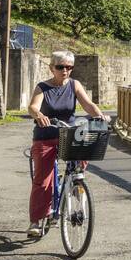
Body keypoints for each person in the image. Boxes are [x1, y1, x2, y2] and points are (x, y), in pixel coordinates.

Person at [26, 50, 108, 239]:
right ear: (51, 68)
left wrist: (99, 115)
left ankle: (75, 181)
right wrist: (38, 115)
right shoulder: (42, 87)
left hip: (68, 133)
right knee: (43, 180)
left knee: (84, 150)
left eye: (69, 67)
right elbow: (33, 106)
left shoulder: (74, 85)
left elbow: (88, 104)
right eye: (60, 67)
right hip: (45, 135)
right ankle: (36, 221)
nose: (65, 71)